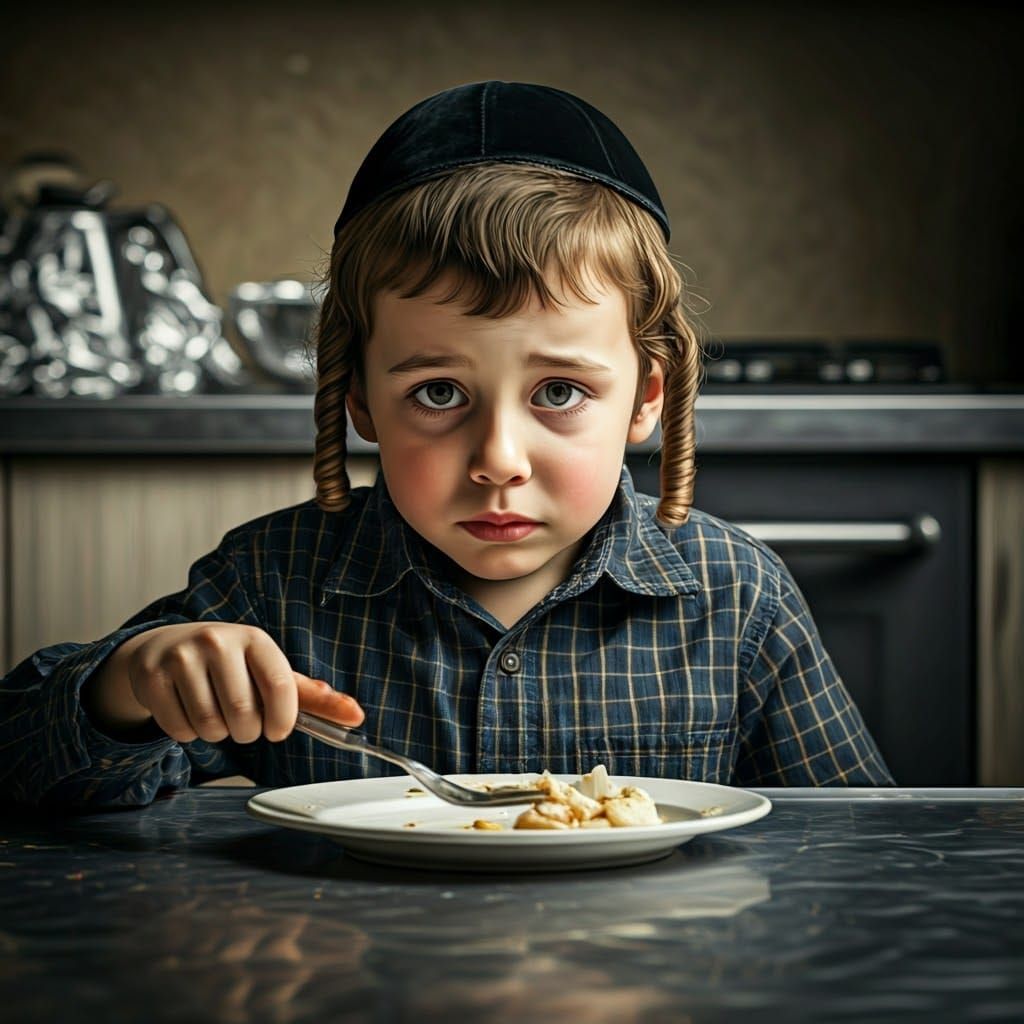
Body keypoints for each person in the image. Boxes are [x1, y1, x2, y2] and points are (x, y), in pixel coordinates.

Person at [0, 81, 893, 808]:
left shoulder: (735, 601)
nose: (499, 457)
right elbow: (22, 768)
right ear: (360, 401)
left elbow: (862, 854)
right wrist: (124, 690)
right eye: (438, 393)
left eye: (559, 392)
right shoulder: (272, 587)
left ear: (643, 399)